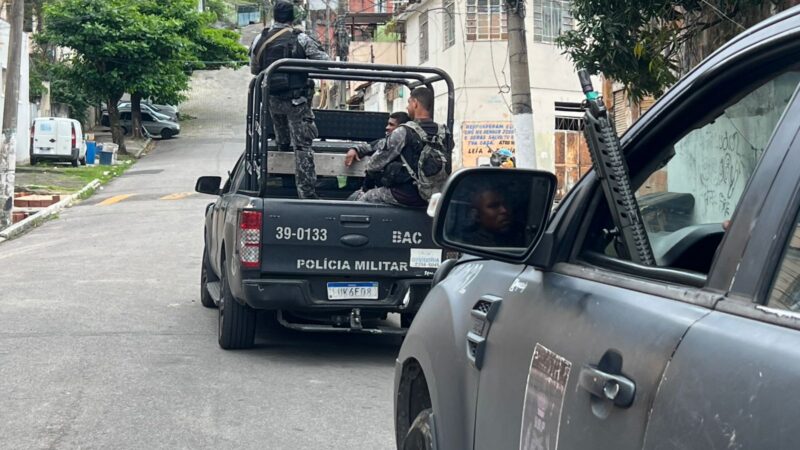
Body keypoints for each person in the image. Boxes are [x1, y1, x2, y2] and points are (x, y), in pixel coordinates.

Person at [250, 1, 329, 199]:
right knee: (302, 148)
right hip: (296, 103)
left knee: (281, 141)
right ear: (292, 18)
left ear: (274, 16)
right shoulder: (300, 38)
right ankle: (307, 193)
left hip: (271, 101)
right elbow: (324, 62)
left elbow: (254, 69)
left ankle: (278, 179)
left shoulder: (259, 38)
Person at [349, 87, 453, 207]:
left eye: (408, 103)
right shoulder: (444, 132)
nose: (407, 107)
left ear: (415, 103)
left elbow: (375, 164)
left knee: (363, 199)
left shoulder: (404, 131)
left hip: (407, 195)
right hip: (436, 196)